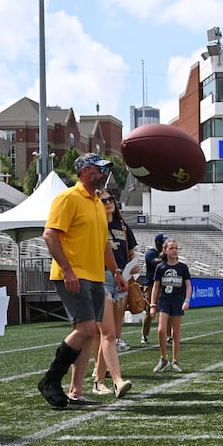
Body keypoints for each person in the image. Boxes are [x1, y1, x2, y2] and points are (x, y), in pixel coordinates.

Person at [38, 153, 133, 406]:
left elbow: (103, 245)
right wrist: (68, 270)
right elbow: (50, 235)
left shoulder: (97, 204)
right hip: (74, 274)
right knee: (86, 329)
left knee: (88, 334)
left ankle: (76, 391)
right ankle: (51, 379)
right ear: (85, 171)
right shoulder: (68, 198)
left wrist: (115, 272)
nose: (104, 174)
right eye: (99, 169)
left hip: (94, 276)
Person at [93, 190, 135, 395]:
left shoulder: (123, 226)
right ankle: (104, 379)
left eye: (110, 200)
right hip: (101, 277)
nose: (108, 203)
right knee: (106, 332)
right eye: (103, 201)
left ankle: (99, 380)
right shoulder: (96, 224)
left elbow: (131, 252)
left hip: (122, 279)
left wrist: (133, 268)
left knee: (113, 334)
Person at [149, 239, 192, 372]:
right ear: (165, 251)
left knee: (175, 332)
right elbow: (156, 287)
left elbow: (188, 285)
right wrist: (153, 304)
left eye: (176, 248)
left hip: (178, 300)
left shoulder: (182, 267)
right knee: (161, 330)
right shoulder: (160, 267)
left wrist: (187, 300)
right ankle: (163, 358)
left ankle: (175, 361)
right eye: (172, 248)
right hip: (165, 300)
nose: (174, 250)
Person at [138, 233, 167, 345]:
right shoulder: (151, 253)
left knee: (166, 311)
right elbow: (155, 262)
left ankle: (168, 335)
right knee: (150, 310)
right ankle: (144, 335)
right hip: (150, 285)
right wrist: (166, 257)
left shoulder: (163, 254)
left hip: (163, 285)